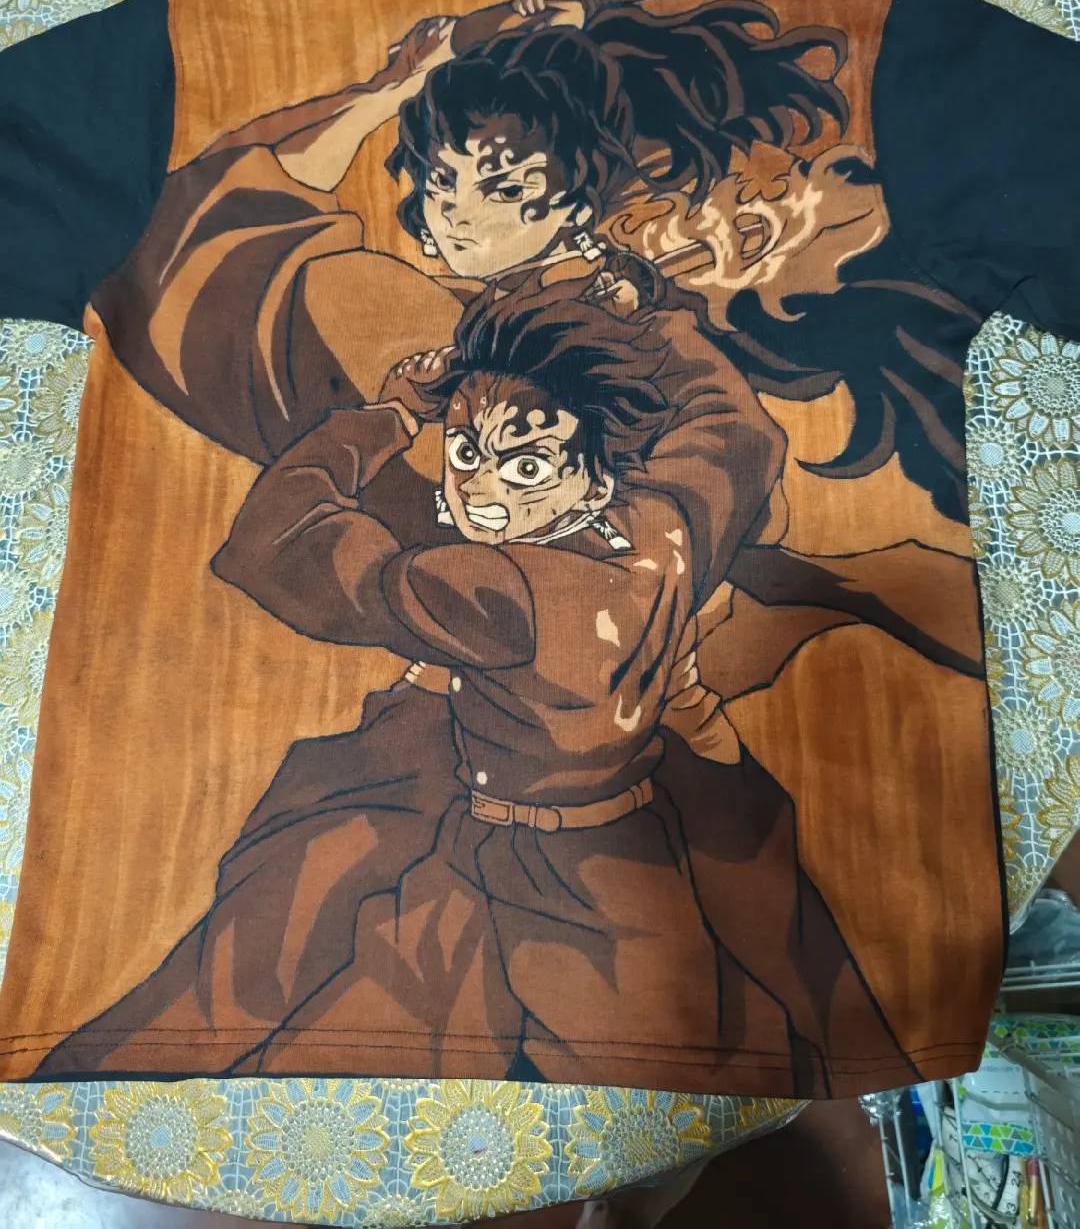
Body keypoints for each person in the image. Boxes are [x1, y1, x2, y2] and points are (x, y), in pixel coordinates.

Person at [41, 281, 904, 1094]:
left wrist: (386, 418)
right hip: (571, 856)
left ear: (594, 472)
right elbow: (732, 428)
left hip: (563, 891)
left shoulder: (492, 592)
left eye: (526, 469)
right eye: (465, 452)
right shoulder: (666, 522)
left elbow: (276, 542)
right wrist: (655, 318)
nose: (480, 492)